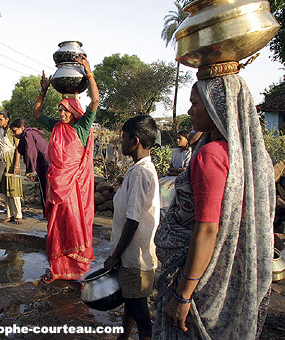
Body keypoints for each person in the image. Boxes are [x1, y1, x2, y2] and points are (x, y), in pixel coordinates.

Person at [153, 75, 275, 339]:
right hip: (231, 276)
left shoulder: (211, 156)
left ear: (216, 106)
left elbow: (207, 230)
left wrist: (183, 295)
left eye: (195, 103)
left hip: (200, 279)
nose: (189, 110)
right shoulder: (254, 156)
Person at [33, 55, 99, 283]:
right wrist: (43, 91)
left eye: (65, 110)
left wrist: (88, 73)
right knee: (56, 229)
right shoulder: (56, 126)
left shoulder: (81, 127)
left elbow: (95, 102)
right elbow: (37, 115)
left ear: (73, 112)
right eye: (59, 110)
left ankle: (77, 270)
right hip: (56, 186)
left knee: (73, 225)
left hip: (73, 190)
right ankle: (57, 270)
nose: (61, 113)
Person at [104, 115, 159, 340]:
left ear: (135, 141)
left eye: (124, 137)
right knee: (131, 302)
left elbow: (133, 220)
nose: (121, 142)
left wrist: (115, 255)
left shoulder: (139, 173)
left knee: (139, 311)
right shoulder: (140, 168)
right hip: (136, 254)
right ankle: (123, 336)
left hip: (134, 256)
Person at [10, 118, 50, 214]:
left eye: (15, 131)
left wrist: (30, 171)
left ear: (22, 127)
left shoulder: (27, 134)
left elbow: (30, 153)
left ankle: (49, 215)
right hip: (44, 164)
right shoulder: (29, 133)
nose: (14, 134)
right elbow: (23, 150)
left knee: (46, 190)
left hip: (46, 164)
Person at [0, 110, 24, 224]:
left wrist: (16, 165)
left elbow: (18, 149)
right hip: (2, 160)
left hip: (11, 161)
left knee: (13, 189)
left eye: (1, 119)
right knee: (5, 189)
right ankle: (9, 214)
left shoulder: (13, 131)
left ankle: (18, 215)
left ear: (7, 119)